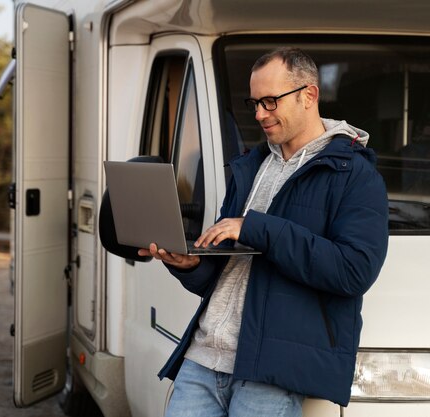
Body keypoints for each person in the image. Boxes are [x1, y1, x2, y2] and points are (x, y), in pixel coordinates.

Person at [138, 47, 389, 417]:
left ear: (309, 95)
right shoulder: (251, 167)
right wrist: (191, 264)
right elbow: (227, 274)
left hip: (272, 369)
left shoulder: (354, 175)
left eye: (270, 102)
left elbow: (354, 271)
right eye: (254, 102)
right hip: (204, 357)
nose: (258, 114)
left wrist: (257, 227)